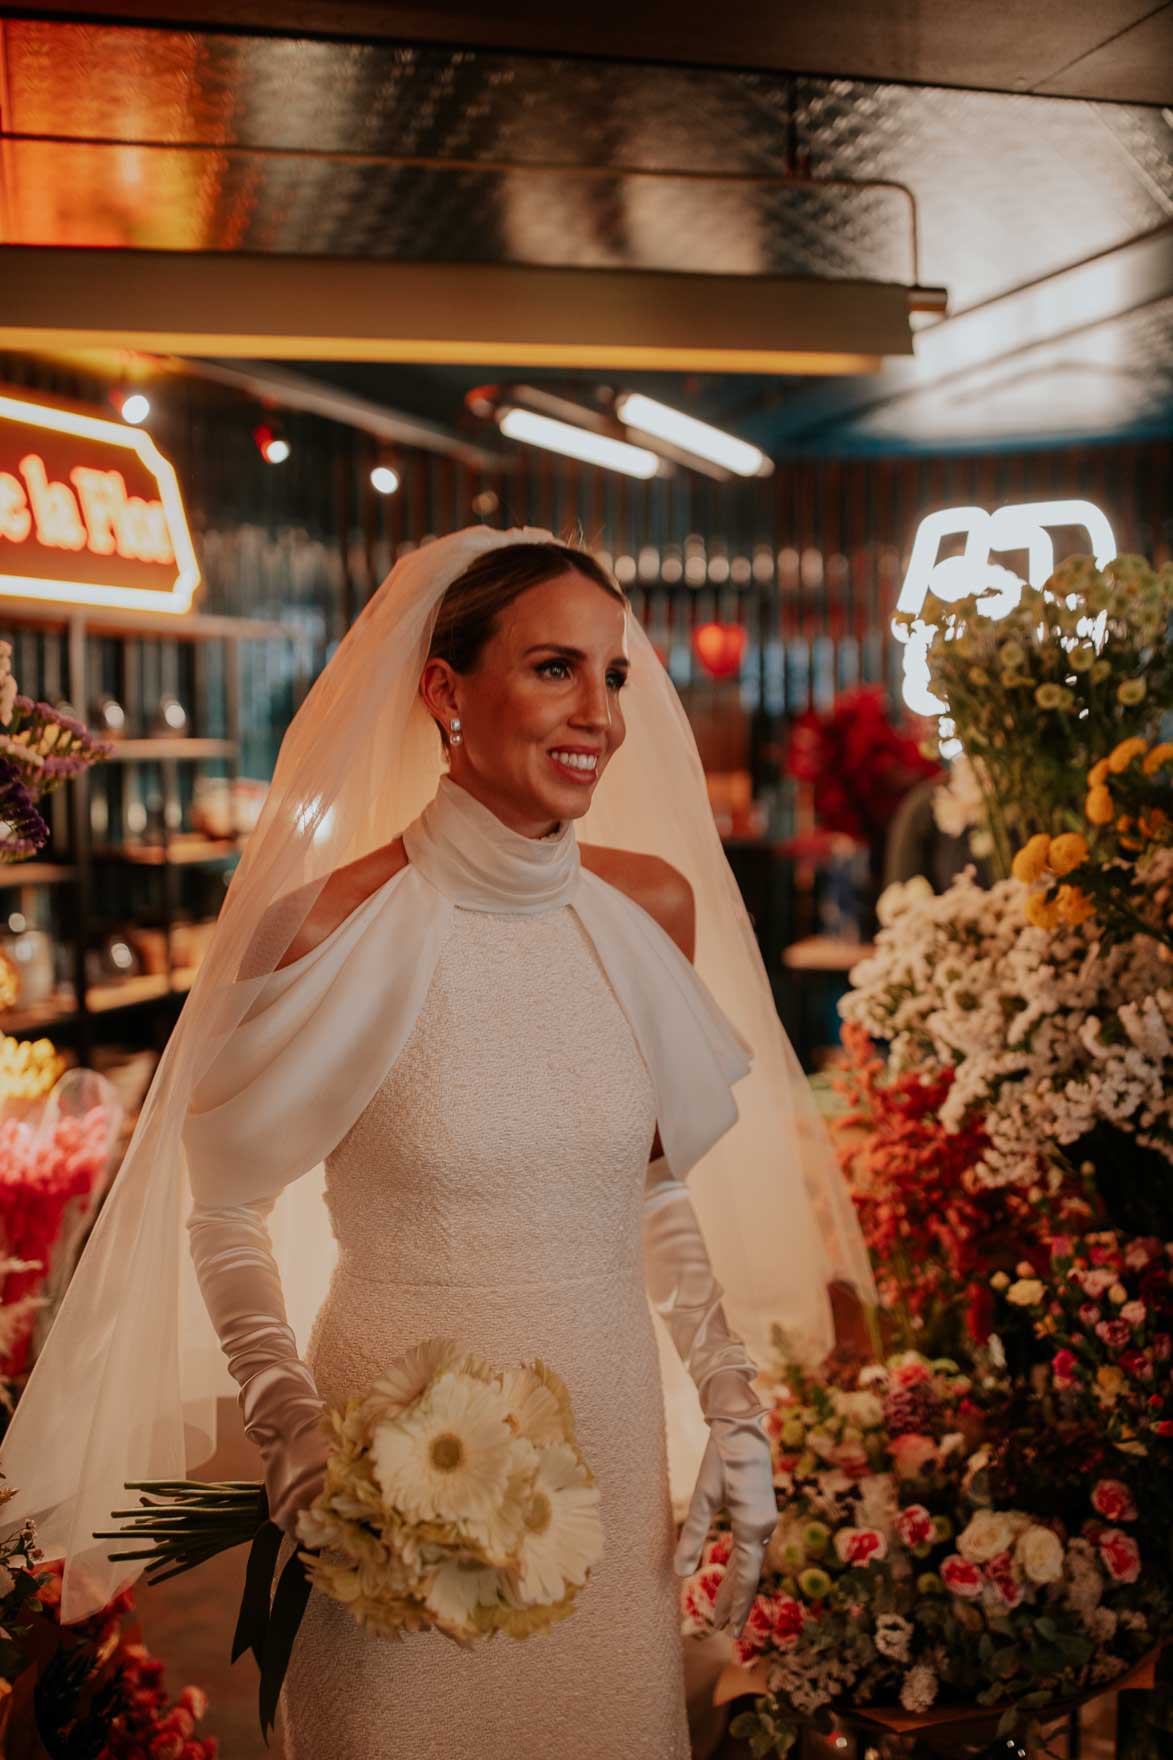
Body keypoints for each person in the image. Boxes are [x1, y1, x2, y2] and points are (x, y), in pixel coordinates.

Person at [1, 527, 876, 1757]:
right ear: (444, 690)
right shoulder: (327, 927)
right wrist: (294, 1427)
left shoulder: (650, 910)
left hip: (609, 1445)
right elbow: (223, 1210)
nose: (600, 715)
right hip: (384, 1483)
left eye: (613, 675)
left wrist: (730, 1392)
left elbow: (652, 1183)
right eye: (554, 668)